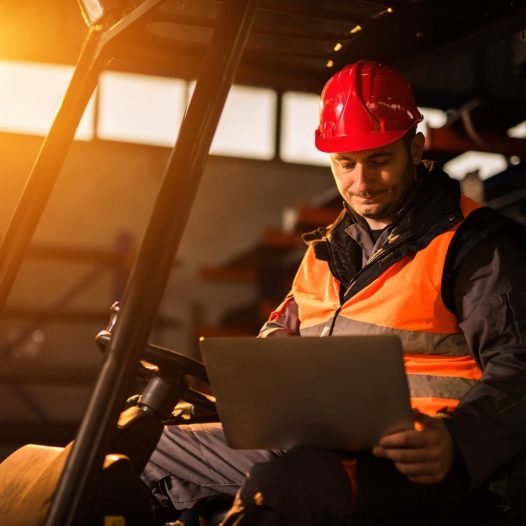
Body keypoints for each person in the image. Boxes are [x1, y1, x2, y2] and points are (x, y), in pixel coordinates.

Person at [142, 60, 526, 525]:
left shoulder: (474, 245)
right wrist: (264, 372)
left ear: (415, 147)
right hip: (311, 441)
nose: (360, 183)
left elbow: (518, 370)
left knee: (285, 487)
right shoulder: (326, 250)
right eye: (345, 164)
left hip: (415, 460)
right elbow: (279, 338)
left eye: (379, 161)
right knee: (138, 447)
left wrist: (458, 442)